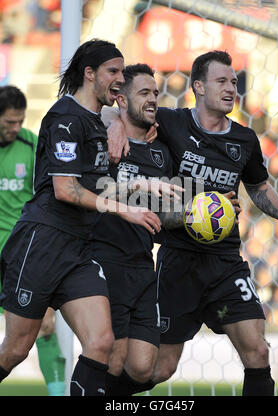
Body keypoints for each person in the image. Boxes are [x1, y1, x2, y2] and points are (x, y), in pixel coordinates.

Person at [107, 50, 278, 396]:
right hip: (178, 259)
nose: (230, 88)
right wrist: (116, 126)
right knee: (159, 367)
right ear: (198, 86)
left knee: (257, 350)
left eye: (234, 82)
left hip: (226, 262)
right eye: (221, 81)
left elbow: (257, 188)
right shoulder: (170, 122)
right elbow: (120, 108)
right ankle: (102, 393)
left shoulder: (245, 139)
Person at [0, 39, 164, 396]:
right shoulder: (64, 118)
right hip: (43, 243)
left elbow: (98, 186)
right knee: (14, 351)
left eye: (123, 72)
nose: (121, 79)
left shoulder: (95, 122)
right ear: (89, 74)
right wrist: (127, 210)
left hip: (78, 251)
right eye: (114, 72)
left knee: (102, 342)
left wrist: (144, 185)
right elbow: (66, 189)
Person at [91, 63, 187, 396]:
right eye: (144, 93)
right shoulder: (105, 142)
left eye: (156, 93)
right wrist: (113, 123)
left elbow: (170, 211)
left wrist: (197, 214)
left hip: (143, 265)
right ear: (121, 99)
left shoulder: (161, 154)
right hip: (106, 261)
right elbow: (93, 189)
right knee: (112, 360)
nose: (153, 100)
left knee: (144, 366)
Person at [0, 85, 65, 396]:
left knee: (45, 326)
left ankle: (56, 392)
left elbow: (45, 195)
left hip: (22, 254)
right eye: (9, 122)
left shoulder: (30, 145)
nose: (15, 128)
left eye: (19, 121)